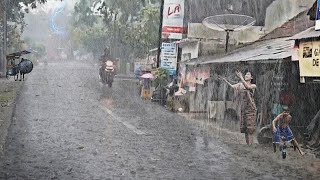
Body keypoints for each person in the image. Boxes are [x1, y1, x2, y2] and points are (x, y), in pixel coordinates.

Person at [221, 70, 257, 145]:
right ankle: (248, 145)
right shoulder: (240, 85)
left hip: (251, 109)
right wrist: (225, 81)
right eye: (245, 74)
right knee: (245, 128)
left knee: (250, 128)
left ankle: (251, 144)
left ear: (251, 77)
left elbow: (247, 87)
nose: (246, 75)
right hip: (243, 108)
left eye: (248, 74)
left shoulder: (253, 86)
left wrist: (241, 77)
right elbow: (232, 86)